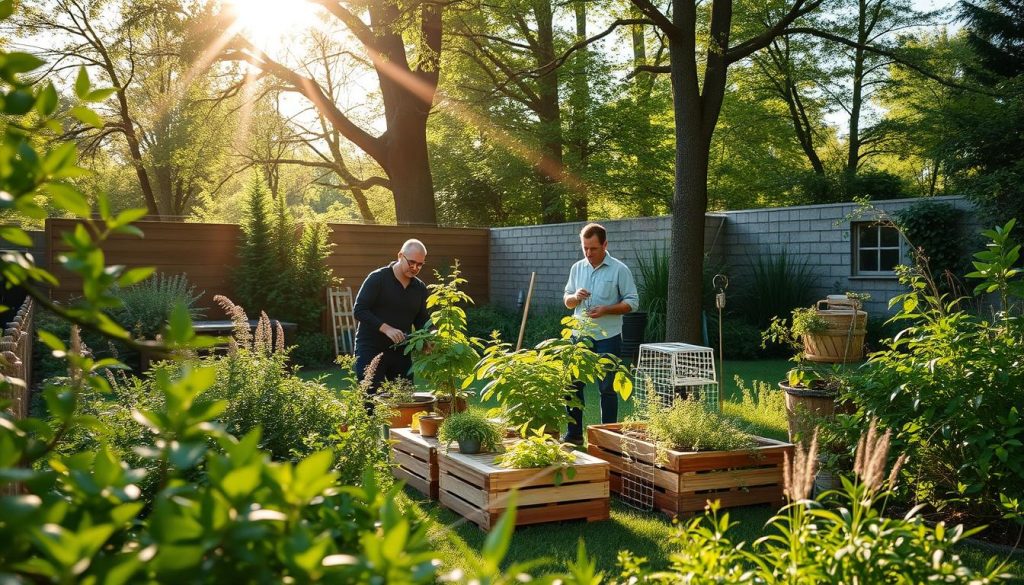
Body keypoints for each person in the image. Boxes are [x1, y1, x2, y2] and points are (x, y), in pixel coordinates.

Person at [562, 223, 639, 445]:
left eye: (593, 248)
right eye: (585, 248)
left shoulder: (619, 270)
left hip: (609, 337)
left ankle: (607, 440)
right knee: (573, 385)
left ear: (605, 244)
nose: (588, 253)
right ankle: (573, 435)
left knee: (607, 388)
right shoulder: (577, 268)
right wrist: (575, 297)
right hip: (579, 336)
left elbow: (632, 303)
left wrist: (606, 309)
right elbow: (567, 301)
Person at [353, 239, 429, 392]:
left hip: (401, 351)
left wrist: (429, 339)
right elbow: (359, 310)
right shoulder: (377, 278)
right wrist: (386, 328)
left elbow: (422, 320)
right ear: (400, 255)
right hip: (371, 349)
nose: (415, 268)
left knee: (405, 399)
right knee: (370, 401)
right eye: (411, 262)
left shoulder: (419, 288)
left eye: (420, 264)